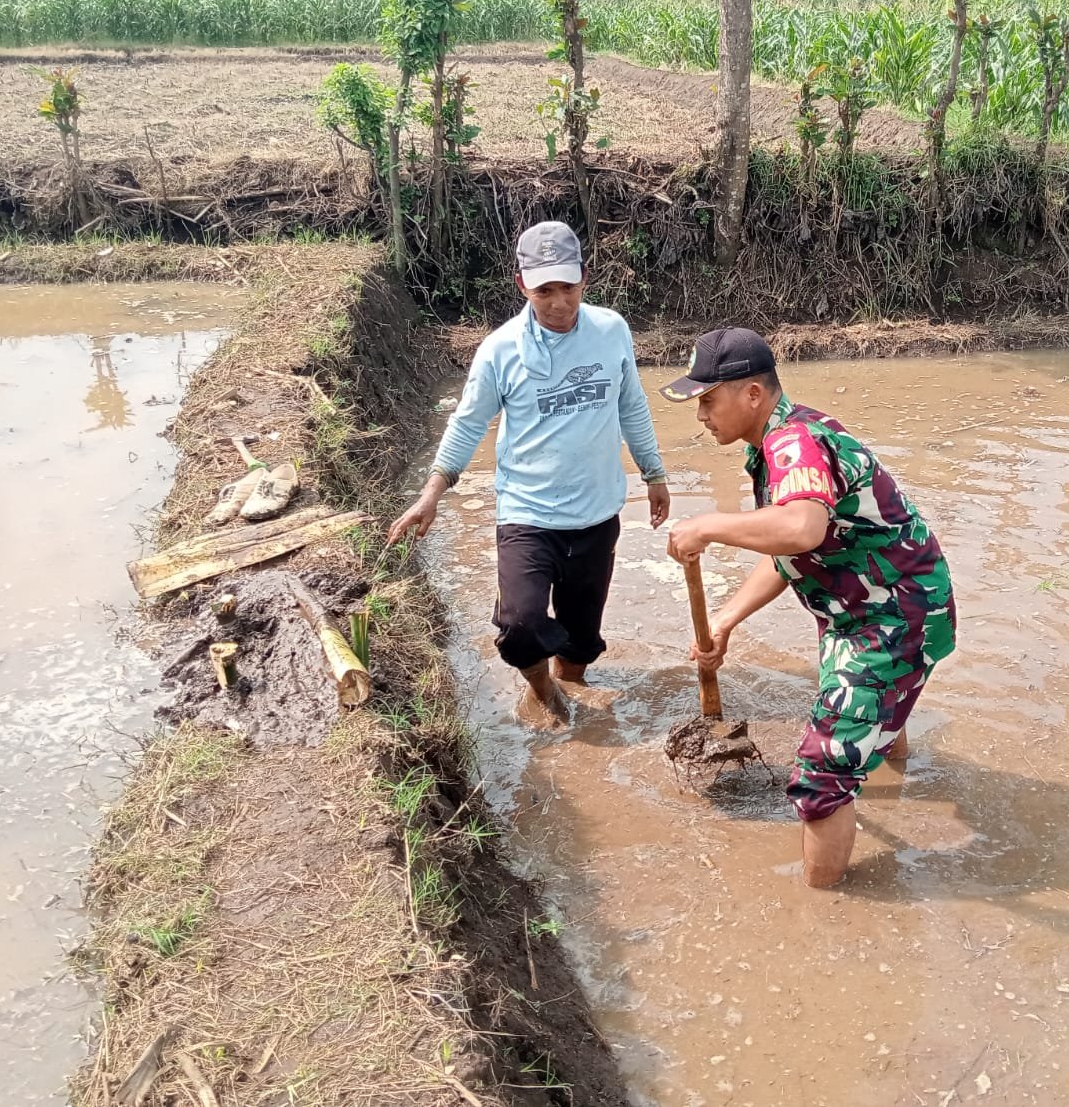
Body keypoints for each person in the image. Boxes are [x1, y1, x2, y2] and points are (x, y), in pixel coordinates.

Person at [660, 328, 955, 888]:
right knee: (874, 719)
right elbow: (788, 551)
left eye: (707, 398)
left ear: (751, 394)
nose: (700, 414)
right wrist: (725, 619)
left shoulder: (792, 443)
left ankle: (826, 914)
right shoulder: (777, 442)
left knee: (821, 775)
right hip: (874, 608)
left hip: (890, 617)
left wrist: (709, 526)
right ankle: (890, 773)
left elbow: (800, 526)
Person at [388, 221, 671, 724]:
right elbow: (468, 420)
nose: (559, 302)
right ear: (522, 285)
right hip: (527, 513)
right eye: (545, 290)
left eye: (568, 287)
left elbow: (632, 405)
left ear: (585, 277)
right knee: (519, 625)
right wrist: (433, 490)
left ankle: (572, 685)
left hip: (596, 511)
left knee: (583, 637)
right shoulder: (500, 350)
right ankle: (542, 691)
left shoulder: (611, 331)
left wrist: (654, 473)